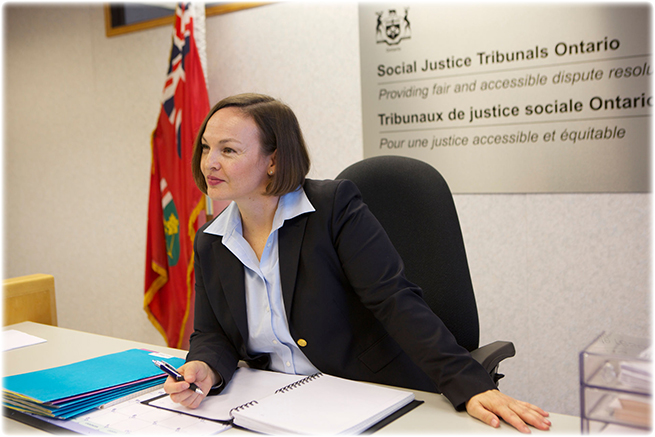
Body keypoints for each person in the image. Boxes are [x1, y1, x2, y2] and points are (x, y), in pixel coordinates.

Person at [164, 93, 551, 433]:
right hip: (275, 406)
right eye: (205, 148)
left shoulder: (333, 209)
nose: (209, 163)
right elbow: (212, 334)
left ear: (273, 161)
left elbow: (394, 300)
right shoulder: (212, 239)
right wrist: (205, 367)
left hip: (363, 397)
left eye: (228, 150)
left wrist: (470, 385)